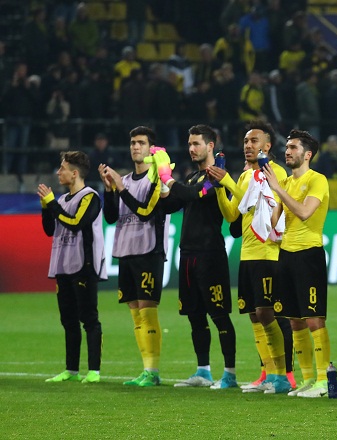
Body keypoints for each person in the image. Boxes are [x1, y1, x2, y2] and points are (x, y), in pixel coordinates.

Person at [206, 120, 292, 394]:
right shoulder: (244, 177)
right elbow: (233, 214)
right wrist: (220, 187)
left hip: (269, 252)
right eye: (245, 141)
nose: (248, 146)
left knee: (268, 313)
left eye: (254, 141)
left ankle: (282, 375)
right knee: (255, 315)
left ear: (267, 146)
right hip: (248, 253)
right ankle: (267, 374)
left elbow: (258, 204)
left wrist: (227, 180)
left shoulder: (274, 172)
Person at [153, 125, 240, 389]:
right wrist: (157, 179)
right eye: (189, 144)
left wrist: (168, 178)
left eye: (196, 144)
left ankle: (230, 373)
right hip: (188, 254)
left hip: (210, 254)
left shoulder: (217, 177)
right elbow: (170, 204)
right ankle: (203, 371)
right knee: (195, 315)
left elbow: (193, 196)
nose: (191, 149)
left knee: (219, 314)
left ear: (210, 146)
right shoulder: (192, 177)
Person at [261, 129, 331, 398]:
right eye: (287, 147)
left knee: (314, 319)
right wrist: (271, 198)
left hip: (308, 255)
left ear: (307, 154)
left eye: (293, 147)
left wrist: (278, 189)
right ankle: (307, 379)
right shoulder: (287, 184)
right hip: (286, 255)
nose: (287, 151)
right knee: (294, 321)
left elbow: (303, 213)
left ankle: (324, 380)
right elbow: (274, 225)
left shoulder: (318, 180)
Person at [99, 126, 168, 387]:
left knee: (147, 311)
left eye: (140, 143)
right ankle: (145, 369)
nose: (135, 147)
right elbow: (111, 217)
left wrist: (120, 187)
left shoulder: (156, 180)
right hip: (125, 251)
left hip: (148, 250)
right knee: (135, 313)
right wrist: (109, 190)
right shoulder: (125, 180)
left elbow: (144, 212)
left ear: (151, 149)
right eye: (132, 143)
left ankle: (153, 371)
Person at [38, 151, 106, 383]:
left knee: (89, 318)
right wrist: (46, 207)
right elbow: (50, 230)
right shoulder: (61, 200)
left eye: (63, 168)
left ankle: (94, 370)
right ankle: (71, 369)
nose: (58, 172)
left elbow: (77, 223)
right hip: (63, 265)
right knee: (68, 319)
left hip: (83, 265)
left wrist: (52, 206)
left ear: (74, 173)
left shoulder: (91, 197)